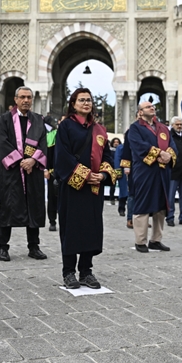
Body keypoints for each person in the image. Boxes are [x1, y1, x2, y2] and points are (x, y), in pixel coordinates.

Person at [54, 88, 115, 289]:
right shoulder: (66, 127)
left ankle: (86, 271)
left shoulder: (99, 129)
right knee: (71, 229)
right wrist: (85, 175)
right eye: (81, 100)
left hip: (94, 189)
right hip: (73, 188)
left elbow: (107, 156)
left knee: (91, 229)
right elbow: (62, 156)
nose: (86, 103)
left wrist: (103, 174)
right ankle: (69, 272)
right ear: (73, 103)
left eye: (89, 100)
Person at [0, 87, 48, 262]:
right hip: (12, 173)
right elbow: (2, 143)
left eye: (29, 97)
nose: (26, 100)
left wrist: (32, 160)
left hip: (33, 171)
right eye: (22, 97)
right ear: (16, 99)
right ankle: (3, 247)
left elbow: (43, 144)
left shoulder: (38, 121)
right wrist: (21, 161)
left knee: (34, 207)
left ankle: (34, 246)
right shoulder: (5, 120)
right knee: (8, 208)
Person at [127, 101, 175, 253]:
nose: (152, 107)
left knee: (161, 205)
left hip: (162, 171)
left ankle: (156, 240)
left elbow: (172, 145)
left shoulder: (163, 127)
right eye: (148, 107)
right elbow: (138, 145)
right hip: (144, 171)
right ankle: (140, 241)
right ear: (140, 112)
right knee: (143, 203)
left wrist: (169, 156)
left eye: (152, 106)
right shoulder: (135, 128)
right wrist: (160, 153)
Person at [44, 115, 59, 232]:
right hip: (52, 172)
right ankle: (52, 221)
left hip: (65, 171)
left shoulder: (61, 134)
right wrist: (46, 169)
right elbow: (47, 155)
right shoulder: (49, 136)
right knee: (52, 197)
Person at [113, 137, 128, 216]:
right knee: (123, 191)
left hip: (134, 172)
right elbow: (117, 159)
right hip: (123, 172)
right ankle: (121, 208)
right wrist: (118, 172)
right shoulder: (120, 147)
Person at [108, 137, 121, 205]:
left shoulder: (121, 150)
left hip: (119, 168)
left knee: (121, 184)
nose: (116, 143)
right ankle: (111, 198)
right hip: (112, 169)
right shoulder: (110, 150)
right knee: (113, 184)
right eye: (115, 142)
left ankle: (120, 198)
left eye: (117, 142)